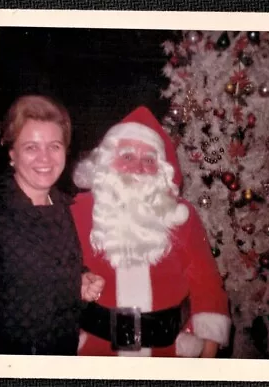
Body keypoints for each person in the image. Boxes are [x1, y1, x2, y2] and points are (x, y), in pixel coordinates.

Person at [71, 106, 231, 358]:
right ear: (106, 161)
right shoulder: (78, 210)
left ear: (161, 170)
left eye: (148, 160)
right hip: (95, 353)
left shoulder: (182, 216)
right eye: (127, 157)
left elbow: (207, 283)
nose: (138, 168)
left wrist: (208, 355)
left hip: (167, 354)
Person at [0, 94, 104, 355]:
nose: (45, 158)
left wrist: (80, 280)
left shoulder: (64, 208)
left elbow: (50, 270)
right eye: (31, 147)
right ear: (11, 153)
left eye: (54, 146)